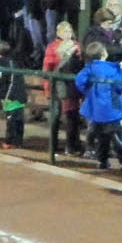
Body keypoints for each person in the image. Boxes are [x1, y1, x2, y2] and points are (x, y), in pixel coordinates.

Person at [75, 42, 122, 170]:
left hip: (96, 111)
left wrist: (88, 92)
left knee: (102, 138)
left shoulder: (89, 68)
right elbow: (119, 87)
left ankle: (102, 161)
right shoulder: (111, 69)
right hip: (112, 110)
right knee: (118, 139)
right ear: (104, 54)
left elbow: (79, 81)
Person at [43, 20, 85, 157]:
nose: (68, 34)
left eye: (69, 31)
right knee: (55, 116)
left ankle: (71, 145)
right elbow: (47, 68)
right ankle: (53, 146)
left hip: (72, 86)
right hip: (56, 85)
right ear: (58, 33)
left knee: (72, 116)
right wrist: (47, 88)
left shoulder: (77, 46)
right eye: (64, 31)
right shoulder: (52, 47)